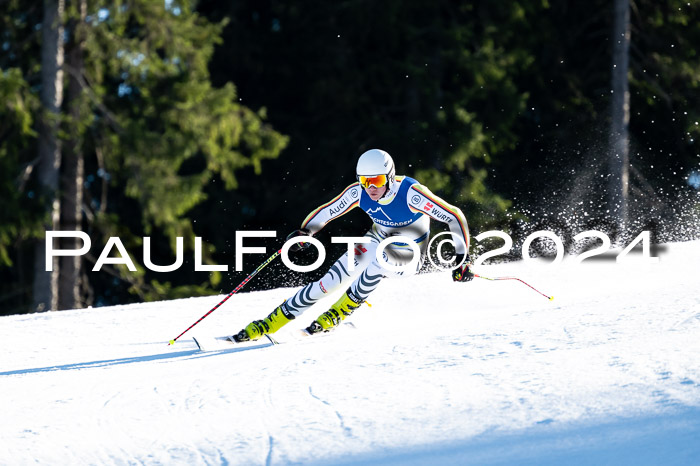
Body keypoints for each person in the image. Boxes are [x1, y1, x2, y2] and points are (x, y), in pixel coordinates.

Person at [231, 149, 473, 342]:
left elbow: (454, 216)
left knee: (379, 259)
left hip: (409, 256)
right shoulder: (359, 192)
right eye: (365, 181)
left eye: (377, 180)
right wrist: (305, 233)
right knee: (330, 280)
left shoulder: (411, 193)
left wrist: (463, 259)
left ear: (389, 176)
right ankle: (268, 323)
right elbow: (326, 211)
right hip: (377, 240)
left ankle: (336, 314)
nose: (371, 188)